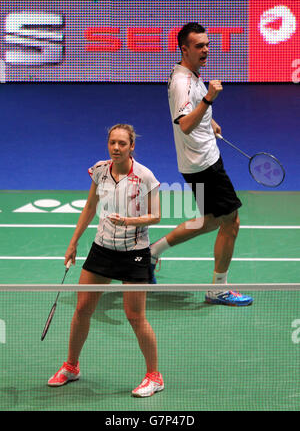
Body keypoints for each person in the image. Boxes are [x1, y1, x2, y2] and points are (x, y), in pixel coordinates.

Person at [48, 124, 164, 397]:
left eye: (122, 143)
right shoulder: (100, 170)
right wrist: (73, 242)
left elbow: (156, 216)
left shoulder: (144, 176)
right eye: (112, 142)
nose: (116, 148)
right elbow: (90, 207)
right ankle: (71, 366)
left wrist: (129, 221)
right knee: (82, 308)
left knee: (135, 316)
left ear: (132, 146)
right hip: (102, 248)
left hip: (134, 253)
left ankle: (155, 376)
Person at [150, 23, 253, 306]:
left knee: (210, 221)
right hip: (203, 164)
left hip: (201, 159)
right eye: (199, 46)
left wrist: (209, 121)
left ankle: (152, 252)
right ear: (184, 49)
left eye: (207, 44)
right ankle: (218, 288)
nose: (206, 49)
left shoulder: (189, 74)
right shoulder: (182, 81)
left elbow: (193, 114)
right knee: (231, 223)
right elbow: (184, 125)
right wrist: (209, 99)